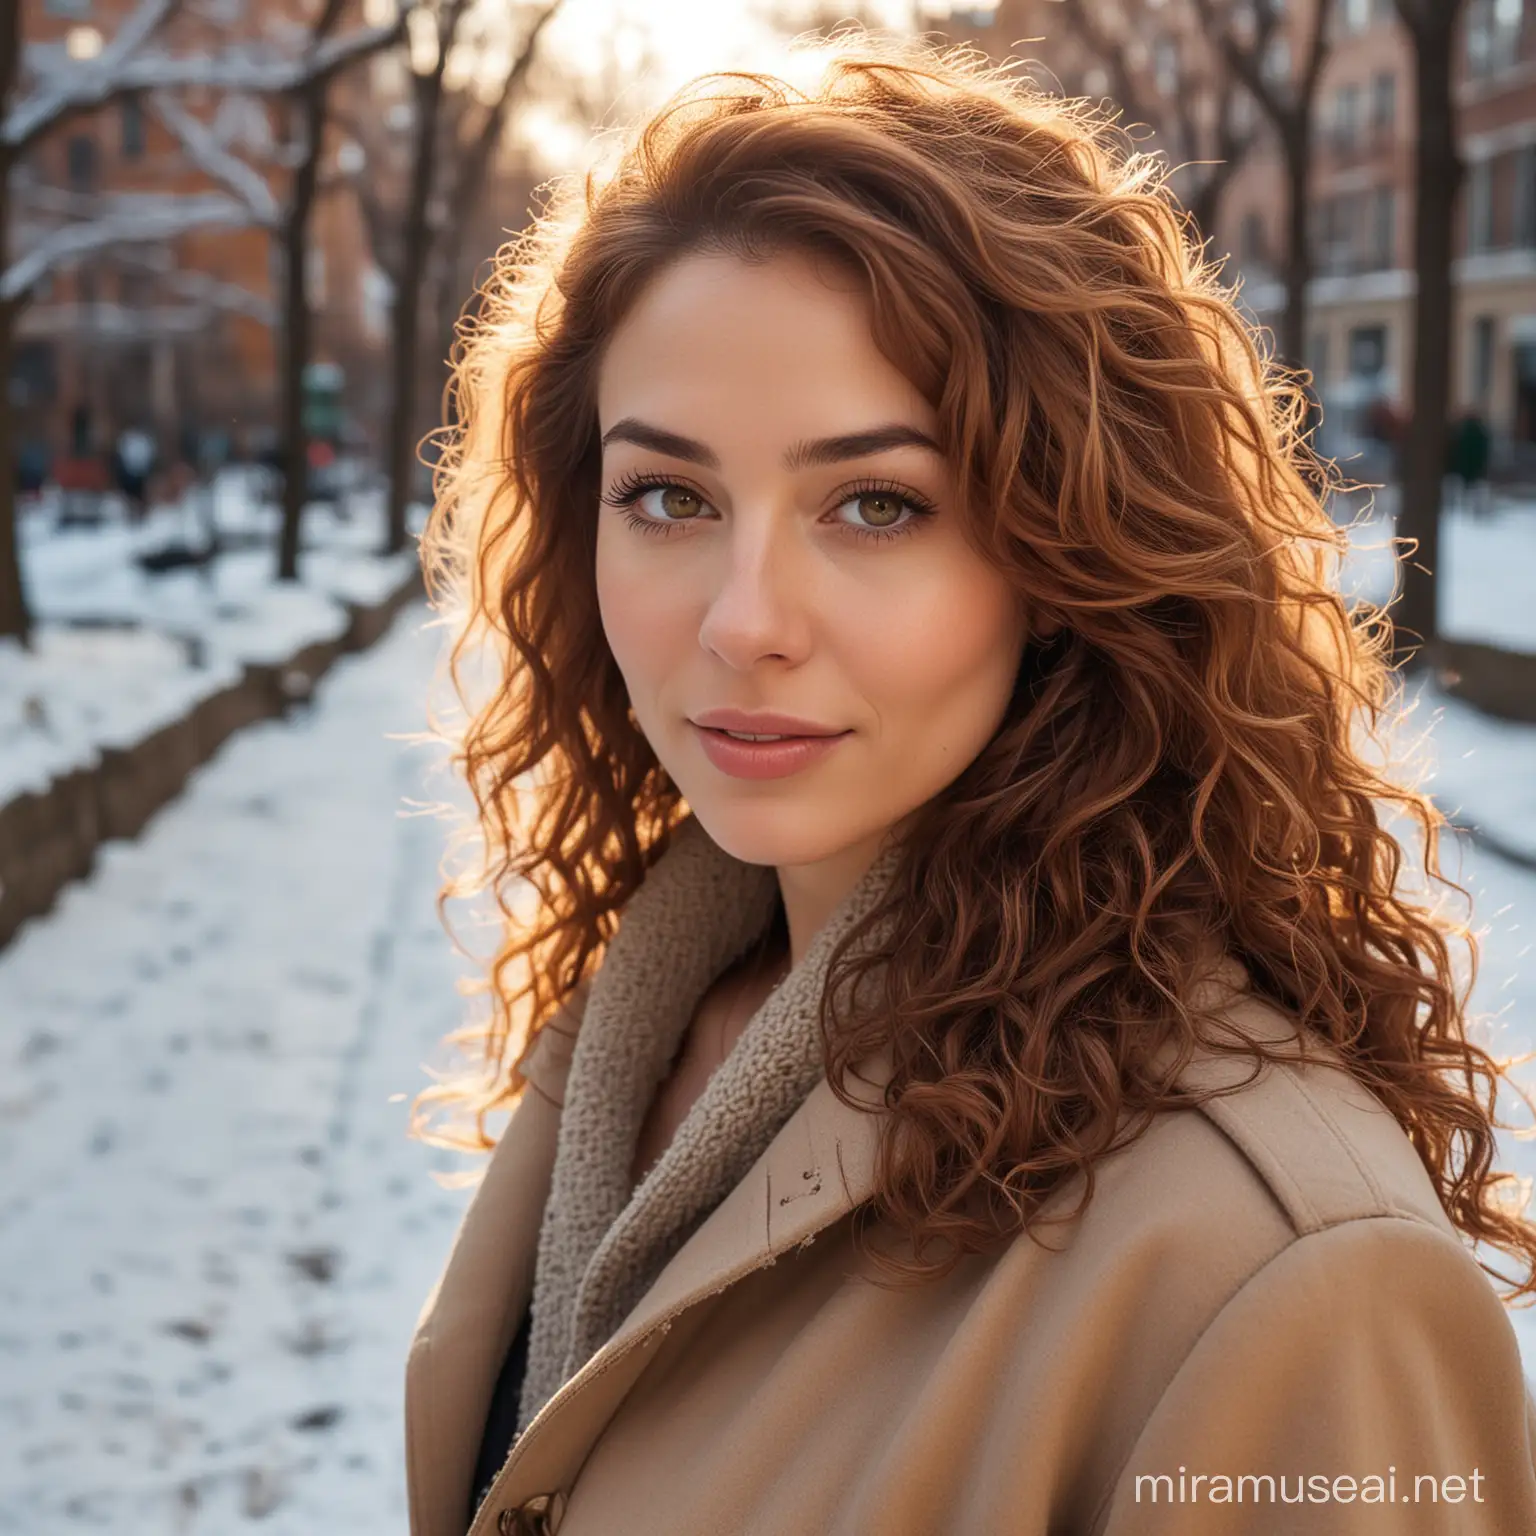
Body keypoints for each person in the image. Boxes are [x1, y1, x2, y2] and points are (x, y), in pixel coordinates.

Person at [405, 34, 1536, 1536]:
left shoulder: (1279, 1270)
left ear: (1066, 552)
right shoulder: (639, 1037)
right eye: (669, 496)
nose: (744, 619)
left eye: (877, 504)